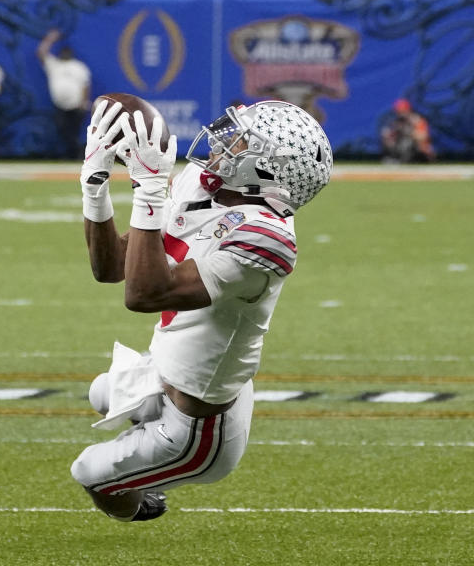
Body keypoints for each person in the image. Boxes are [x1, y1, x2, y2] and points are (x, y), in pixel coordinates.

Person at [72, 99, 333, 522]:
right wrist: (95, 182)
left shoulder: (267, 239)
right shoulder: (200, 180)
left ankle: (143, 502)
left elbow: (143, 295)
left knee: (89, 472)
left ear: (267, 168)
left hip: (200, 430)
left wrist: (149, 189)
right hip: (166, 371)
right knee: (100, 392)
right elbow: (111, 269)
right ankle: (145, 452)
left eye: (242, 139)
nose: (223, 140)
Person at [37, 29, 91, 159]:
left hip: (76, 105)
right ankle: (70, 153)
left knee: (74, 132)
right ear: (60, 53)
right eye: (63, 52)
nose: (65, 54)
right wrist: (50, 39)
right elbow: (41, 53)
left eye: (67, 52)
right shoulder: (55, 65)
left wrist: (84, 102)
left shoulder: (78, 66)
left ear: (71, 54)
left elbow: (86, 85)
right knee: (62, 131)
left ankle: (76, 154)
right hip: (60, 105)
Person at [380, 98, 435, 163]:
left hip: (419, 150)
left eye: (403, 111)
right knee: (388, 137)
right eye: (399, 111)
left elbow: (423, 136)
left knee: (408, 141)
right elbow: (390, 135)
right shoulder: (396, 122)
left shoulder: (417, 120)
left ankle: (408, 160)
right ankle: (393, 158)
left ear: (408, 110)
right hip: (402, 148)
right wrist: (390, 134)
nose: (401, 113)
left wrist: (409, 133)